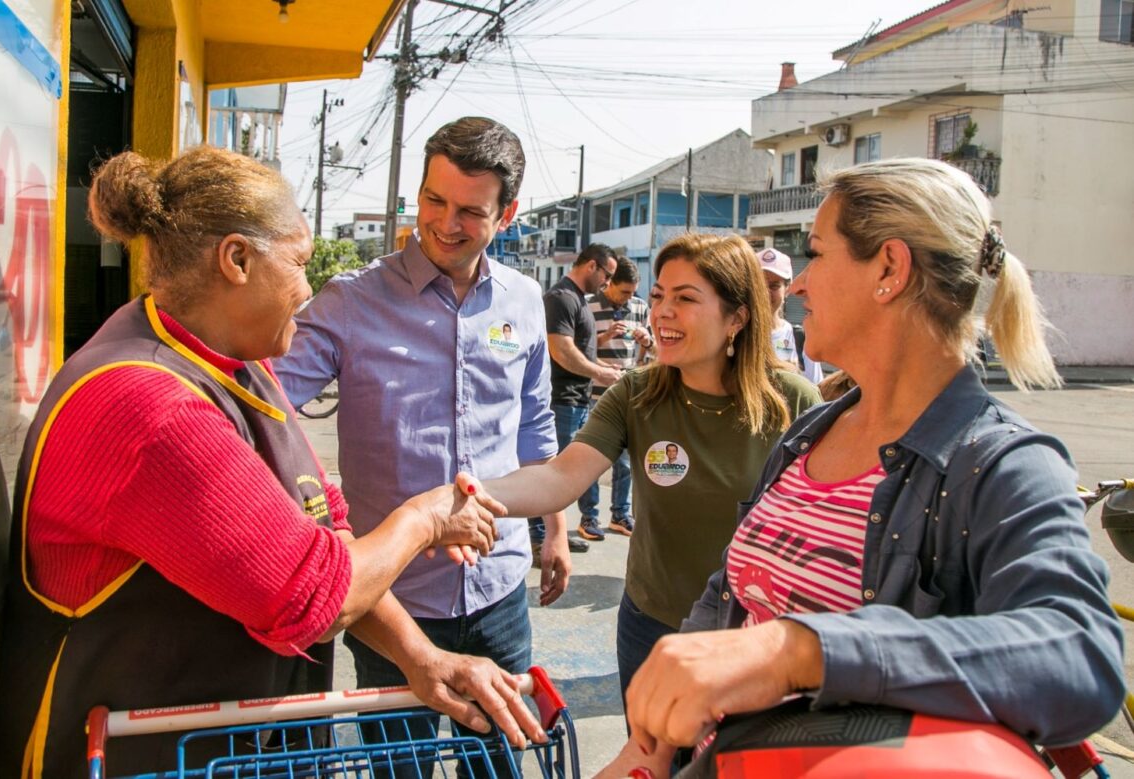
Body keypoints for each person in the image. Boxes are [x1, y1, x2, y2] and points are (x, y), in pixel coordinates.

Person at [0, 146, 542, 779]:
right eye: (301, 263)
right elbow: (312, 595)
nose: (309, 291)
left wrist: (421, 657)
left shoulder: (232, 360)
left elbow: (326, 537)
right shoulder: (150, 405)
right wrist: (423, 519)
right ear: (237, 259)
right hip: (146, 757)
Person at [596, 158, 1124, 778]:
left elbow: (1078, 655)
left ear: (889, 270)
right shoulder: (811, 431)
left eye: (817, 255)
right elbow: (732, 595)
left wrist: (802, 650)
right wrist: (650, 747)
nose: (796, 287)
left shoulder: (1003, 463)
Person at [273, 117, 568, 775]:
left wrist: (556, 532)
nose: (445, 223)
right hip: (395, 605)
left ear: (508, 213)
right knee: (396, 766)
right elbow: (266, 401)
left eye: (470, 211)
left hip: (498, 591)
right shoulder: (350, 301)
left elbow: (533, 427)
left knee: (501, 763)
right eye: (433, 200)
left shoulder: (523, 300)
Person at [472, 233, 820, 707]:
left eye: (685, 298)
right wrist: (460, 498)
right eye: (658, 297)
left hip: (754, 635)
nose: (661, 313)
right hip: (651, 624)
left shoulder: (793, 400)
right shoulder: (635, 394)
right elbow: (558, 479)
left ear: (737, 317)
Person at [535, 243, 623, 543]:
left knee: (567, 472)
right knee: (552, 472)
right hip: (561, 400)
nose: (608, 284)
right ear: (592, 266)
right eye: (607, 275)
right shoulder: (561, 298)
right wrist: (600, 373)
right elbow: (561, 350)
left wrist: (604, 368)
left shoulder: (578, 300)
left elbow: (582, 350)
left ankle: (550, 533)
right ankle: (540, 536)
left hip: (577, 400)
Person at [585, 255, 653, 536]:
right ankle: (589, 517)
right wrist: (604, 337)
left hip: (628, 391)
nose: (628, 298)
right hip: (595, 394)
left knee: (625, 459)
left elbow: (652, 347)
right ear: (609, 283)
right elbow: (582, 351)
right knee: (589, 459)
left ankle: (620, 515)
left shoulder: (639, 307)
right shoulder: (588, 306)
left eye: (632, 292)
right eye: (624, 291)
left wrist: (646, 341)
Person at [759, 247, 823, 383]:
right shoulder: (735, 335)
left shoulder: (801, 339)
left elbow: (818, 392)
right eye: (759, 285)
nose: (765, 292)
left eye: (774, 286)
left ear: (787, 289)